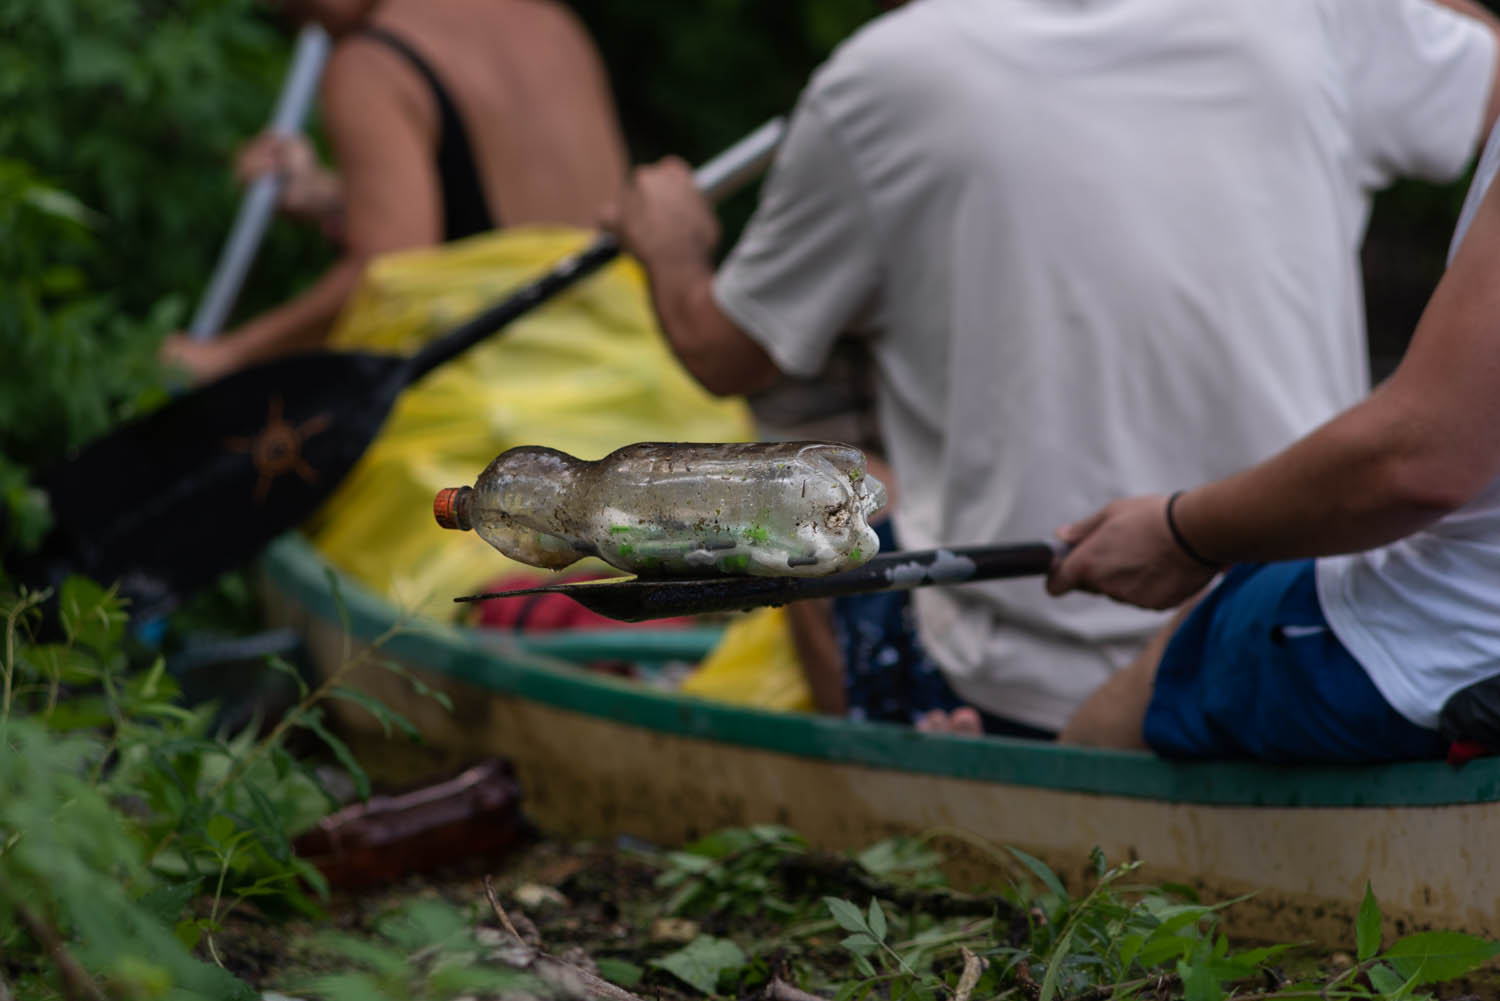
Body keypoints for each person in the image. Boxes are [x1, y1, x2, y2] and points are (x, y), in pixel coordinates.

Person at [604, 0, 1500, 738]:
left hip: (1032, 682)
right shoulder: (1318, 19)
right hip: (1296, 582)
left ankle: (881, 785)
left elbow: (725, 351)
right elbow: (1485, 60)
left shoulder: (882, 75)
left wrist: (671, 241)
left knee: (813, 479)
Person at [1048, 114, 1500, 763]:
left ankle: (1033, 840)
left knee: (1185, 651)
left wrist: (1184, 534)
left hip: (1436, 655)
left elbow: (1417, 458)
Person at [161, 0, 628, 382]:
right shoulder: (554, 25)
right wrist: (334, 197)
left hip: (511, 401)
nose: (290, 13)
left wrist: (226, 358)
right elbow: (528, 226)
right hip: (631, 371)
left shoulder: (372, 64)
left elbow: (390, 273)